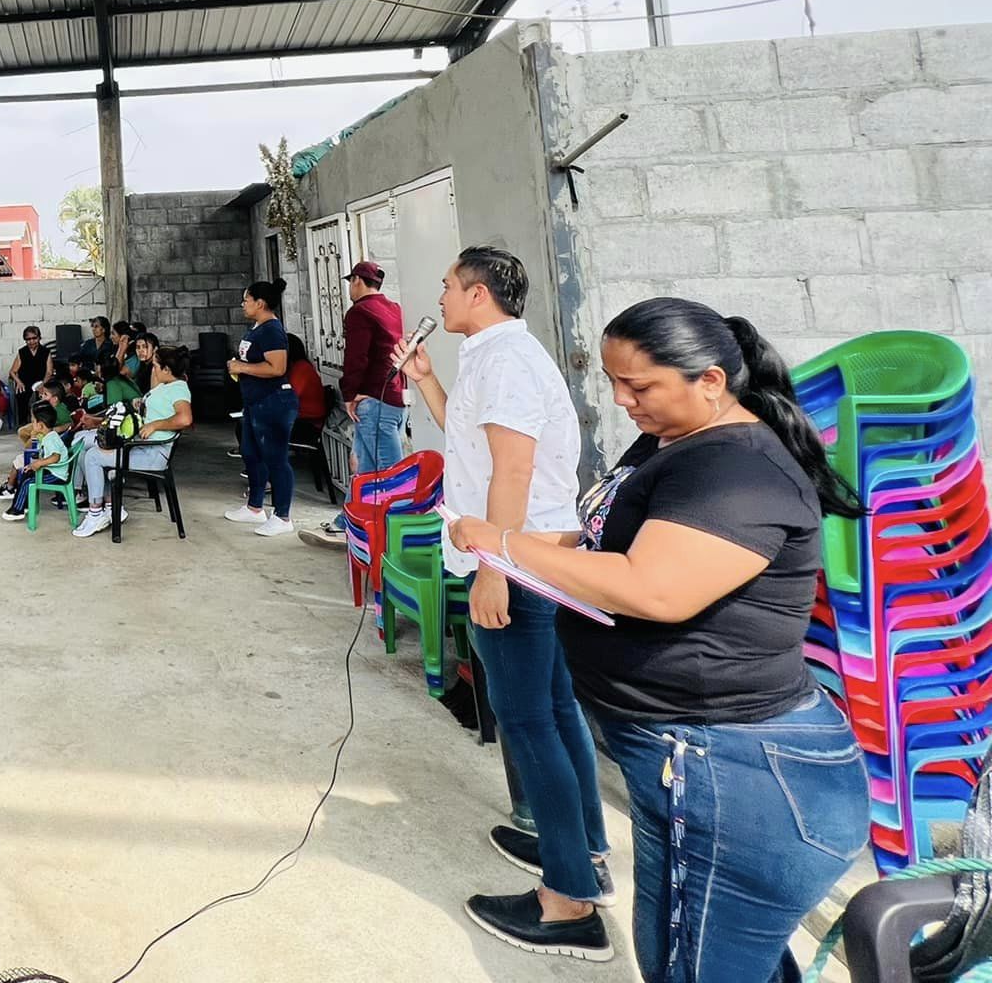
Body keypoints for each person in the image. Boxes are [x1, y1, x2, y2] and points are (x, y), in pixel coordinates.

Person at [447, 298, 868, 981]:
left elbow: (654, 588)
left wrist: (505, 545)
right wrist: (525, 545)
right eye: (614, 381)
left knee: (693, 966)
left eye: (638, 385)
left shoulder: (737, 471)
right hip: (687, 758)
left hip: (732, 768)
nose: (621, 400)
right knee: (705, 957)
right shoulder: (672, 439)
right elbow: (611, 538)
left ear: (710, 380)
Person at [401, 246, 612, 960]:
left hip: (516, 565)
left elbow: (513, 473)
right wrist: (427, 382)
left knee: (528, 722)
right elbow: (475, 448)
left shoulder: (508, 363)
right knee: (553, 709)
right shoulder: (491, 357)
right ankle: (581, 849)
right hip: (520, 557)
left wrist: (493, 567)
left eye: (448, 286)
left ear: (479, 294)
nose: (440, 297)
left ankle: (569, 902)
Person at [307, 260, 409, 545]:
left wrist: (350, 395)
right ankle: (347, 523)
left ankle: (397, 537)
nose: (350, 288)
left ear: (357, 281)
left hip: (374, 400)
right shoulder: (394, 308)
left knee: (389, 475)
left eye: (351, 282)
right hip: (395, 396)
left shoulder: (360, 311)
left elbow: (356, 357)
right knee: (364, 468)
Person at [77, 343, 193, 539]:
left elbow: (185, 419)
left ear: (166, 369)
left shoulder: (178, 389)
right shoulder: (165, 386)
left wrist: (155, 425)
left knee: (93, 457)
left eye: (156, 366)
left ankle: (95, 513)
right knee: (86, 447)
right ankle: (110, 506)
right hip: (140, 446)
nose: (153, 370)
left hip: (152, 454)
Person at [225, 279, 297, 536]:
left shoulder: (272, 330)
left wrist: (241, 367)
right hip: (254, 402)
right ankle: (255, 507)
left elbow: (277, 368)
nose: (243, 304)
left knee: (276, 458)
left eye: (246, 299)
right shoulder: (257, 328)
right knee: (251, 453)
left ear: (260, 303)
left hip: (274, 402)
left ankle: (283, 515)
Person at [0, 403, 69, 522]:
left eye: (33, 421)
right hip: (52, 471)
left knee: (27, 481)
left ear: (41, 425)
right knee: (26, 473)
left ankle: (17, 510)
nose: (32, 424)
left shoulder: (51, 439)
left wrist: (39, 463)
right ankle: (24, 504)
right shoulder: (49, 436)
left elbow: (55, 457)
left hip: (56, 475)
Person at [6, 326, 52, 424]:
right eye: (28, 339)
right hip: (25, 381)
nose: (31, 341)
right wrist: (19, 382)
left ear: (39, 338)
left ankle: (42, 422)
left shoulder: (45, 352)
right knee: (21, 394)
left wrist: (43, 383)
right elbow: (12, 372)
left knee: (43, 396)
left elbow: (49, 372)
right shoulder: (22, 352)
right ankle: (23, 422)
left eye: (34, 338)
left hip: (41, 381)